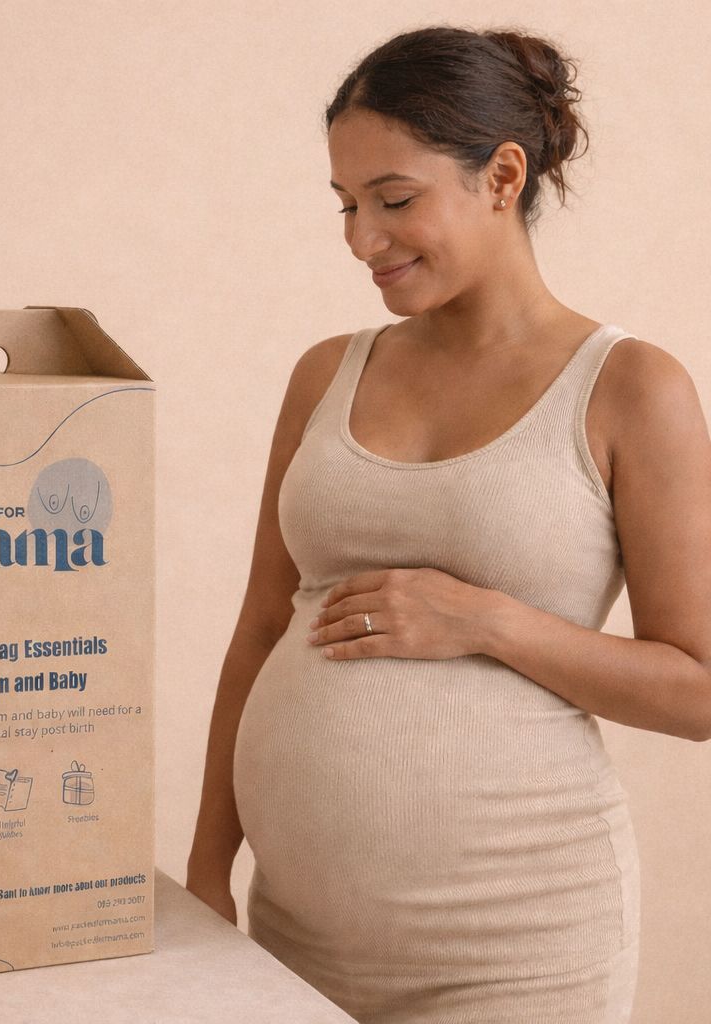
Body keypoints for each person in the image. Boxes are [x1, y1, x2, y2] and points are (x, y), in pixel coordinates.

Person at [185, 24, 711, 1024]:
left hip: (516, 951)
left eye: (393, 200)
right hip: (294, 935)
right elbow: (260, 625)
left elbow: (697, 689)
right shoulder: (325, 373)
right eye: (345, 205)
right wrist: (207, 866)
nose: (360, 239)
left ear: (502, 177)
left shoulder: (631, 389)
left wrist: (484, 621)